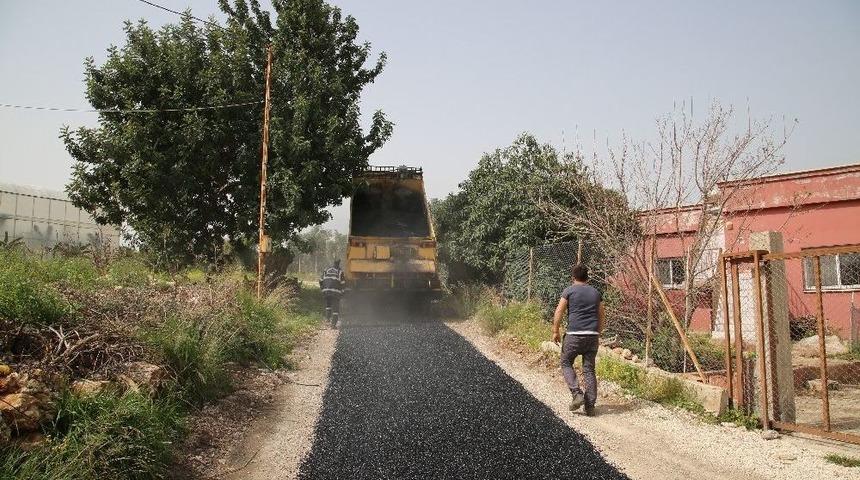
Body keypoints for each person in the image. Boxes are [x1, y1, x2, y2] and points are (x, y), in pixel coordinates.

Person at [552, 264, 604, 416]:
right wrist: (597, 333)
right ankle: (590, 405)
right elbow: (602, 315)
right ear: (587, 278)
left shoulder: (569, 291)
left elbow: (559, 310)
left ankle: (577, 394)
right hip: (592, 336)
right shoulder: (596, 293)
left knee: (566, 362)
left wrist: (555, 330)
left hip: (574, 335)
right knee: (589, 369)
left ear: (573, 278)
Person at [319, 259, 346, 328]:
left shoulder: (326, 270)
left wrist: (322, 289)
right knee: (336, 308)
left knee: (328, 305)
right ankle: (333, 325)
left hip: (326, 291)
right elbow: (343, 283)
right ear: (338, 264)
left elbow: (320, 280)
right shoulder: (340, 272)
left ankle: (327, 320)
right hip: (335, 292)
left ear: (333, 264)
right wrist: (342, 292)